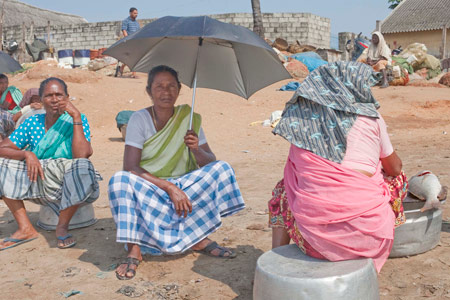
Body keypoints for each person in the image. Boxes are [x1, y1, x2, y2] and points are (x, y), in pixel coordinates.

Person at [108, 65, 245, 280]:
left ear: (179, 90)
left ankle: (199, 238)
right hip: (152, 188)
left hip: (186, 184)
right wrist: (170, 188)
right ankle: (134, 250)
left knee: (222, 169)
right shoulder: (139, 119)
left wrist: (196, 148)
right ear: (149, 91)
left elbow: (210, 162)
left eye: (171, 86)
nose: (166, 92)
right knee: (119, 181)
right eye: (159, 87)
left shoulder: (189, 118)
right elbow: (131, 167)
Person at [269, 62, 407, 273]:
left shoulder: (303, 123)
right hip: (370, 241)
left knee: (285, 188)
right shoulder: (373, 118)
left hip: (313, 245)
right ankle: (382, 233)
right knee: (396, 178)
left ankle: (275, 262)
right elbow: (395, 168)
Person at [0, 77, 100, 251]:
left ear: (67, 97)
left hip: (70, 183)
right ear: (41, 100)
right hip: (37, 179)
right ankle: (25, 228)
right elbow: (3, 148)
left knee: (83, 166)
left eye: (59, 95)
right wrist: (26, 153)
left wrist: (75, 117)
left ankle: (62, 226)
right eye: (49, 95)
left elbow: (82, 154)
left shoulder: (77, 119)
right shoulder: (32, 122)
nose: (54, 99)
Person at [119, 7, 140, 78]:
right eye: (134, 13)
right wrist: (127, 39)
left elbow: (138, 32)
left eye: (137, 13)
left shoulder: (136, 23)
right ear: (130, 13)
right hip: (129, 41)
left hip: (135, 42)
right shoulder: (126, 21)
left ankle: (133, 73)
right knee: (129, 57)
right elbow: (124, 30)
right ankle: (122, 68)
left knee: (134, 57)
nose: (136, 14)